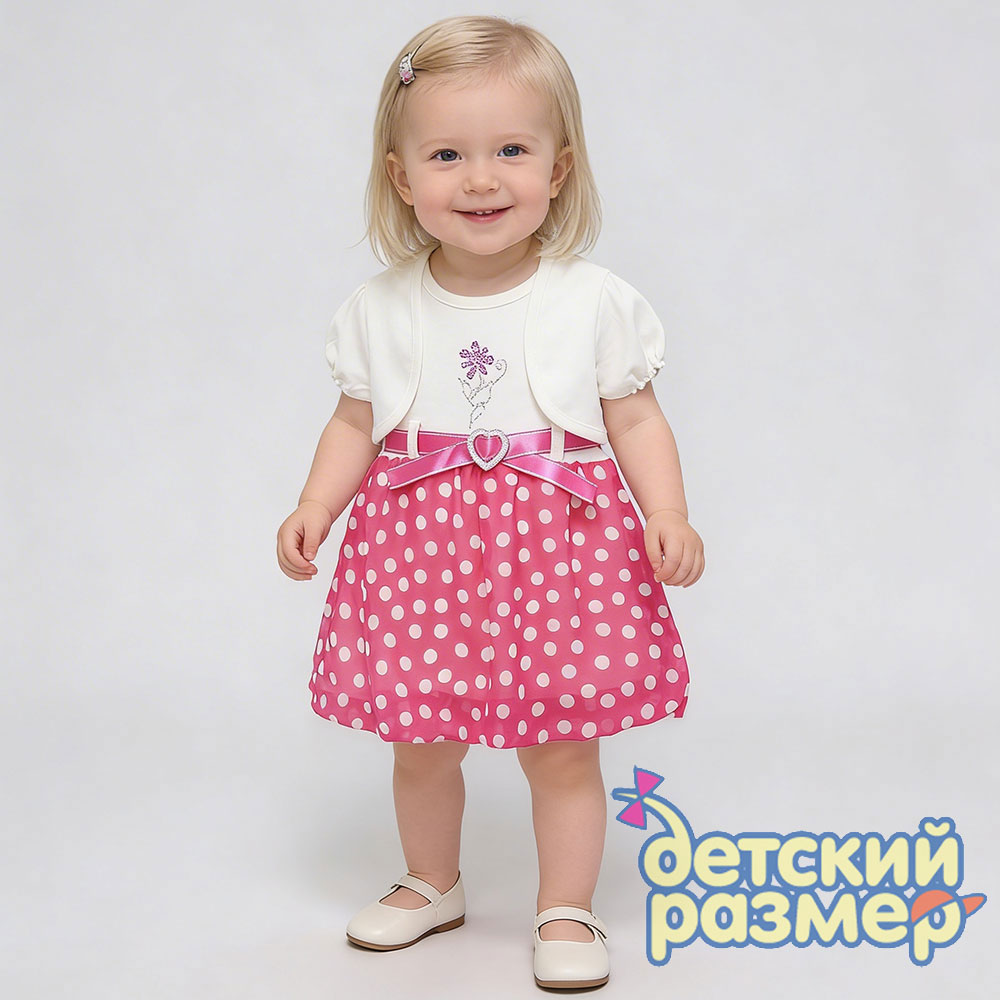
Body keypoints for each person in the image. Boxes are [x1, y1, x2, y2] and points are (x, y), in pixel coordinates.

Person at [276, 14, 705, 990]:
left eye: (511, 150)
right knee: (423, 742)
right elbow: (353, 423)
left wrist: (668, 513)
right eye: (447, 155)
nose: (480, 179)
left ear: (559, 168)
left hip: (560, 552)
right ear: (401, 177)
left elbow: (637, 419)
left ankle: (565, 906)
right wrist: (315, 504)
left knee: (562, 748)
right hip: (420, 556)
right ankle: (432, 880)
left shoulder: (592, 300)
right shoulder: (380, 307)